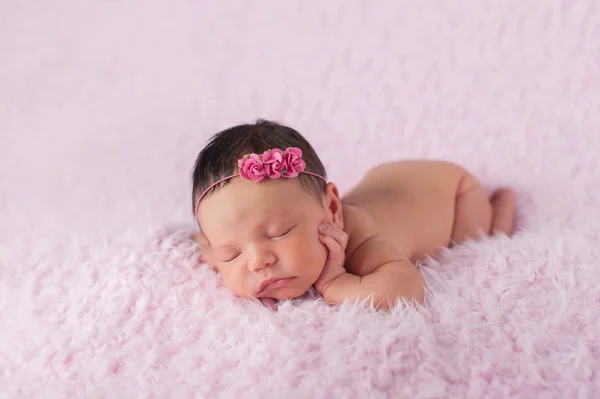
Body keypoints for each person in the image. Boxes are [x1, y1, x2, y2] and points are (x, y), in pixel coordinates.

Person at [191, 120, 516, 310]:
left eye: (279, 232)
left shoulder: (363, 242)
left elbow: (408, 289)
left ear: (332, 209)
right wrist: (218, 254)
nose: (257, 260)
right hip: (388, 179)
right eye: (232, 253)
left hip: (453, 190)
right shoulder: (250, 241)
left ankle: (499, 211)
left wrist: (336, 282)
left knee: (473, 241)